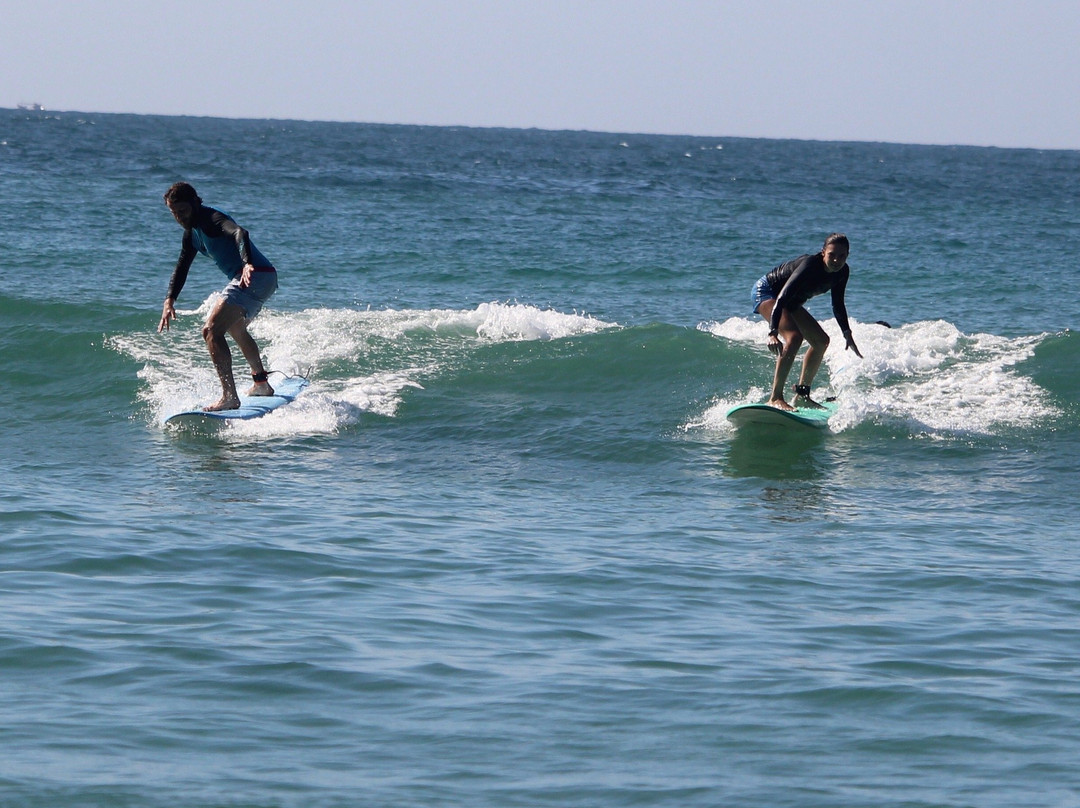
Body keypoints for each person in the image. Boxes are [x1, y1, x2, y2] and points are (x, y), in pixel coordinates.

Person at [158, 182, 278, 411]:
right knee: (235, 328)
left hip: (254, 274)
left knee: (211, 330)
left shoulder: (211, 219)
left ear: (195, 203)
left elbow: (240, 233)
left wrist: (246, 264)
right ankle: (261, 383)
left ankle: (229, 397)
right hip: (264, 278)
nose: (179, 217)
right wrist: (169, 300)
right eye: (173, 213)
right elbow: (182, 265)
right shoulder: (191, 234)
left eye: (182, 211)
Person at [750, 233, 862, 411]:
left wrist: (847, 334)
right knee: (794, 337)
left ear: (847, 255)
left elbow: (838, 303)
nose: (836, 260)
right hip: (768, 292)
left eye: (842, 256)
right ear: (823, 252)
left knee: (821, 341)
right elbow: (781, 298)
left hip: (790, 301)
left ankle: (802, 396)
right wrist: (773, 333)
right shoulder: (810, 265)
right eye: (832, 254)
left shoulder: (842, 272)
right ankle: (775, 398)